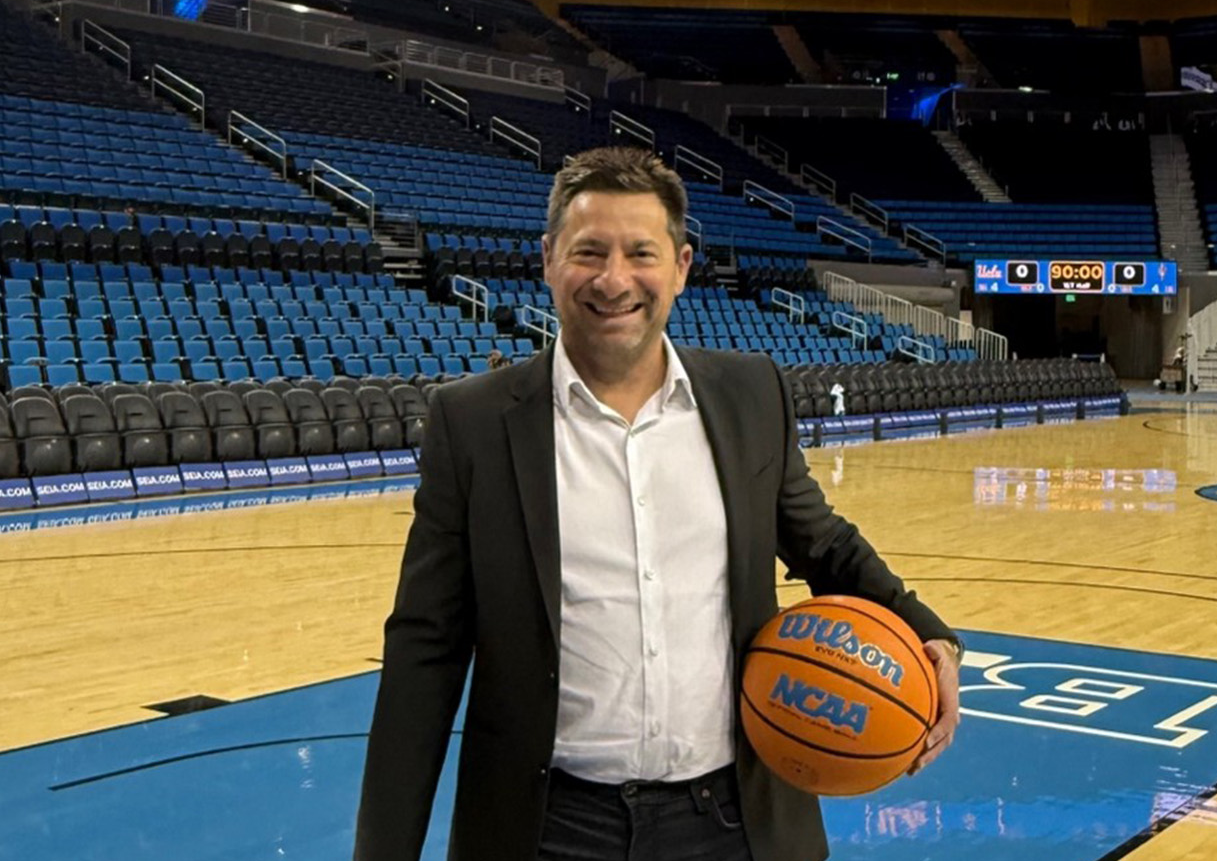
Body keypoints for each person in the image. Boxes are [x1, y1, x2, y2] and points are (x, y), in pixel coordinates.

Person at [353, 146, 963, 861]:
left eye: (640, 253)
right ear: (548, 260)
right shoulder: (473, 422)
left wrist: (930, 636)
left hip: (734, 820)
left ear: (680, 266)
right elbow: (425, 649)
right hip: (547, 828)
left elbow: (823, 543)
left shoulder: (749, 394)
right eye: (589, 252)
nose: (614, 280)